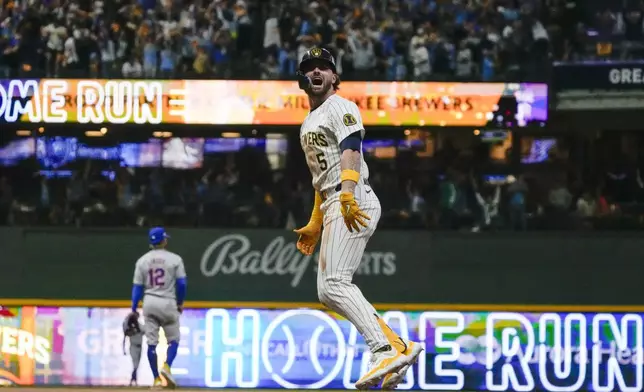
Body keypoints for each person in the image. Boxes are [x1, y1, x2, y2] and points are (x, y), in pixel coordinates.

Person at [292, 47, 423, 390]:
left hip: (353, 197)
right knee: (330, 288)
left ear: (335, 76)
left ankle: (387, 349)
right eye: (310, 68)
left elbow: (351, 150)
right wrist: (316, 221)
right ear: (302, 78)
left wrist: (348, 192)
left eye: (324, 67)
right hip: (335, 198)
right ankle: (394, 350)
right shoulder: (308, 121)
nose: (317, 72)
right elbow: (322, 178)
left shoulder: (341, 106)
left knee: (333, 284)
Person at [130, 227, 187, 389]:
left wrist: (134, 307)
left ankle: (156, 379)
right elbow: (182, 284)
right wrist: (180, 303)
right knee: (174, 341)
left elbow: (137, 287)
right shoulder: (175, 259)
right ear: (164, 240)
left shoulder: (142, 261)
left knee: (152, 343)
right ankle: (167, 366)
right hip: (168, 301)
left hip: (150, 301)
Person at [122, 312, 144, 386]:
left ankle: (133, 380)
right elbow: (124, 337)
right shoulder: (129, 327)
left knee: (137, 365)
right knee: (135, 365)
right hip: (133, 347)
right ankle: (133, 380)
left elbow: (145, 331)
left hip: (140, 347)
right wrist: (123, 349)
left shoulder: (139, 325)